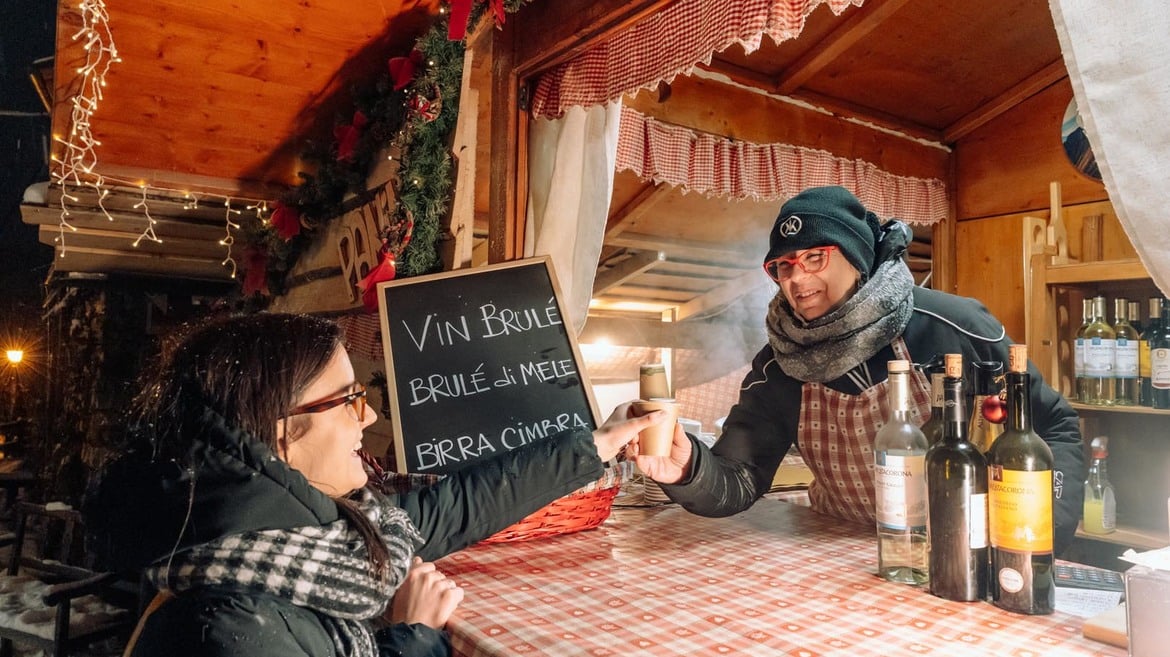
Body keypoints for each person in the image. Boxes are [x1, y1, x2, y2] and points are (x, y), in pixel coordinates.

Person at [84, 312, 664, 657]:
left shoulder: (309, 536)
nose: (368, 418)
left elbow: (452, 507)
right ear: (282, 433)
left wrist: (595, 445)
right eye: (349, 400)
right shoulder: (228, 631)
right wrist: (413, 637)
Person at [631, 185, 1085, 555]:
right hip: (839, 557)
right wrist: (687, 467)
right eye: (783, 266)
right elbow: (738, 477)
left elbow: (1054, 427)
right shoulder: (781, 362)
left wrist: (1043, 535)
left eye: (815, 257)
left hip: (965, 553)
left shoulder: (953, 329)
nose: (796, 278)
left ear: (856, 257)